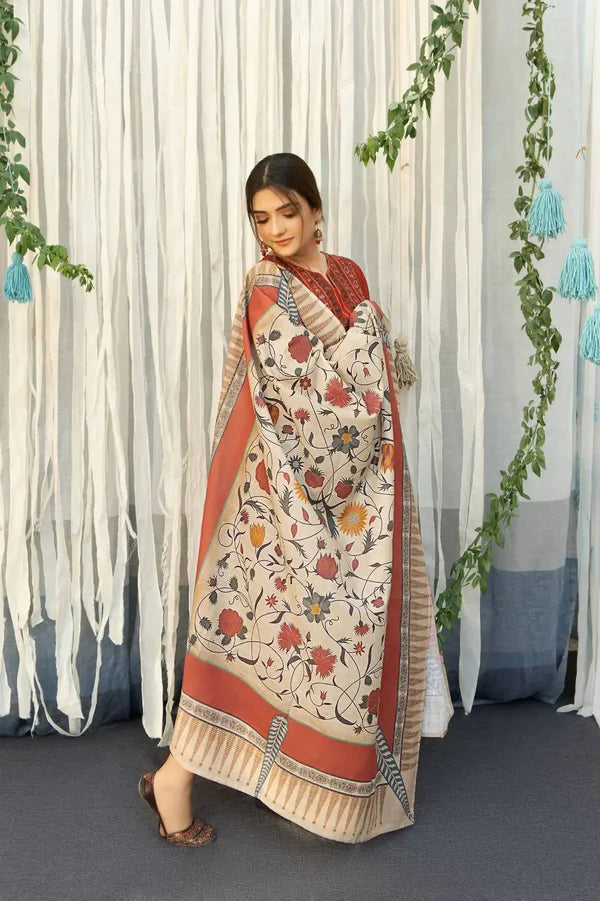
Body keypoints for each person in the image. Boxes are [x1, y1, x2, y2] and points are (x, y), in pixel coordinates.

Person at [138, 152, 453, 845]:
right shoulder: (267, 289)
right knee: (253, 632)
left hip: (354, 508)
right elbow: (311, 406)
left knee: (327, 643)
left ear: (315, 208)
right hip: (279, 508)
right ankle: (176, 780)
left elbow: (365, 386)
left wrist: (368, 354)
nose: (276, 229)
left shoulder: (347, 275)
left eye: (287, 211)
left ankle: (276, 781)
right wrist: (369, 345)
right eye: (261, 218)